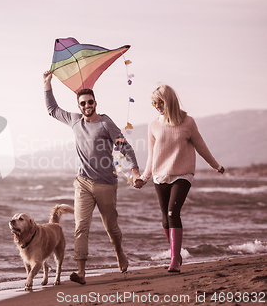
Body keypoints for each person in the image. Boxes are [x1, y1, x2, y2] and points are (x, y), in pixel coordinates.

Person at [43, 70, 141, 285]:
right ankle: (81, 272)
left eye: (90, 102)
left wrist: (135, 173)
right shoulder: (74, 120)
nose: (87, 106)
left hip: (106, 184)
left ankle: (119, 251)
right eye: (83, 103)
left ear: (95, 102)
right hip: (83, 183)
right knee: (81, 227)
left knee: (111, 228)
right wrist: (47, 83)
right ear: (78, 106)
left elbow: (126, 147)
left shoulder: (106, 124)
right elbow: (52, 109)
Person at [134, 84, 225, 273]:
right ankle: (176, 253)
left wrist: (215, 165)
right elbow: (152, 155)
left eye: (160, 102)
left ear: (170, 101)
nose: (157, 105)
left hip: (183, 174)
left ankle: (175, 258)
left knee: (172, 213)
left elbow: (201, 146)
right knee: (165, 219)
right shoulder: (153, 125)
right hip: (160, 175)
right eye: (154, 102)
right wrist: (144, 177)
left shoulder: (188, 122)